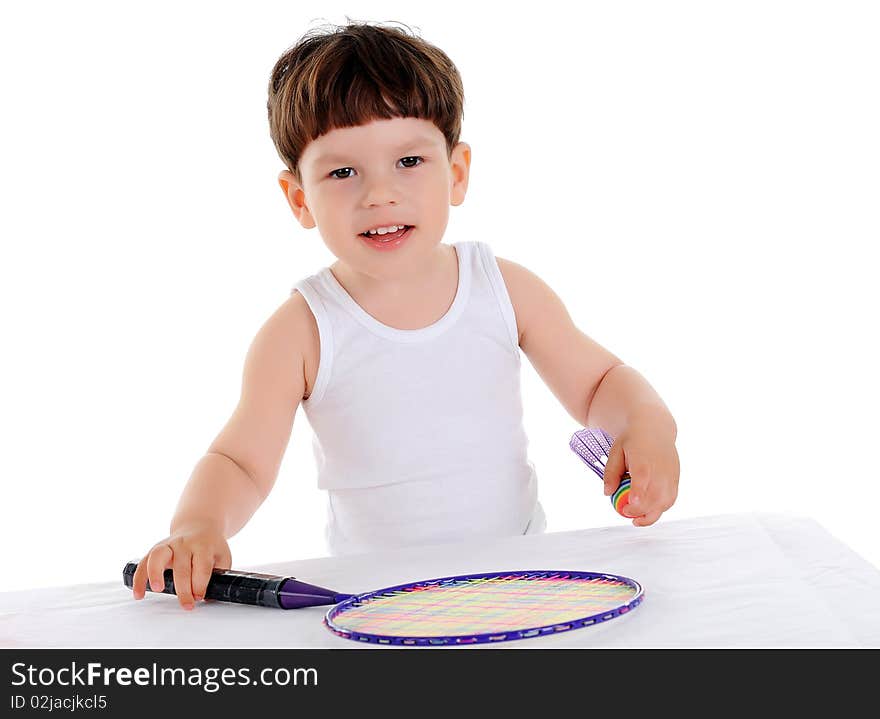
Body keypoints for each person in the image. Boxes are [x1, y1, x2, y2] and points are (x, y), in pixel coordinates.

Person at [131, 20, 679, 610]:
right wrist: (199, 525)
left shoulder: (504, 290)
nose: (379, 193)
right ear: (299, 199)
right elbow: (240, 460)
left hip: (518, 574)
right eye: (342, 172)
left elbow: (599, 383)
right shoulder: (300, 331)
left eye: (409, 160)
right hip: (380, 596)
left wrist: (648, 425)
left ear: (457, 172)